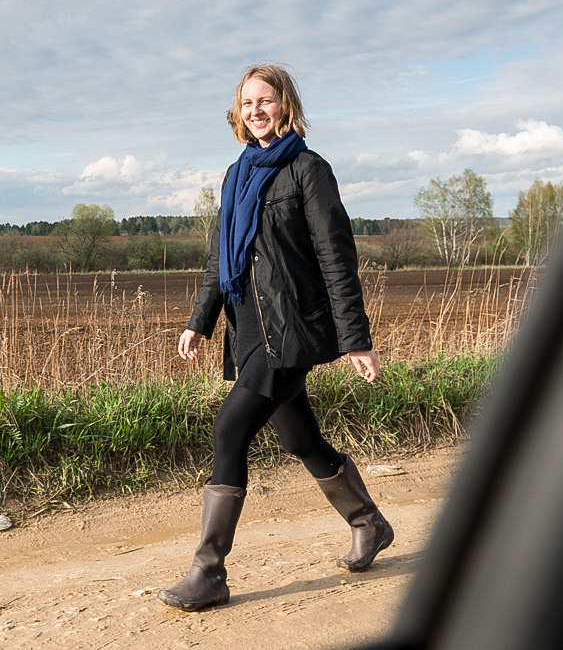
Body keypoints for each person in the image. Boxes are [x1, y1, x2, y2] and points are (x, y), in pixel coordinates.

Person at [158, 64, 392, 612]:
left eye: (266, 100)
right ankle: (368, 522)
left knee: (229, 430)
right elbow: (223, 260)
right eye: (247, 104)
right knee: (298, 439)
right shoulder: (237, 174)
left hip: (291, 329)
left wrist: (355, 338)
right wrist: (200, 319)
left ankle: (209, 572)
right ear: (237, 114)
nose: (256, 110)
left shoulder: (309, 170)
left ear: (285, 105)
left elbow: (337, 257)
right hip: (249, 329)